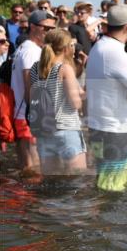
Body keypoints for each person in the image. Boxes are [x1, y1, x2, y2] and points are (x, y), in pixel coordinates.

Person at [86, 5, 127, 191]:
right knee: (112, 188)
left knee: (102, 181)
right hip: (113, 130)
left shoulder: (98, 46)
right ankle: (105, 220)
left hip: (98, 127)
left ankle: (98, 217)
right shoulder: (116, 53)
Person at [25, 28, 86, 175]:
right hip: (66, 130)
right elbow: (75, 103)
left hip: (43, 130)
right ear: (65, 48)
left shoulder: (34, 69)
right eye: (71, 45)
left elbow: (28, 98)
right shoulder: (64, 68)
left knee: (52, 183)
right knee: (77, 180)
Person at [11, 9, 56, 173]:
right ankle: (27, 199)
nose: (49, 32)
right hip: (29, 116)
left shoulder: (25, 48)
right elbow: (31, 85)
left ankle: (22, 198)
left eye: (52, 29)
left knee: (26, 168)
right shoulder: (32, 51)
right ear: (32, 26)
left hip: (23, 115)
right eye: (45, 28)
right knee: (33, 169)